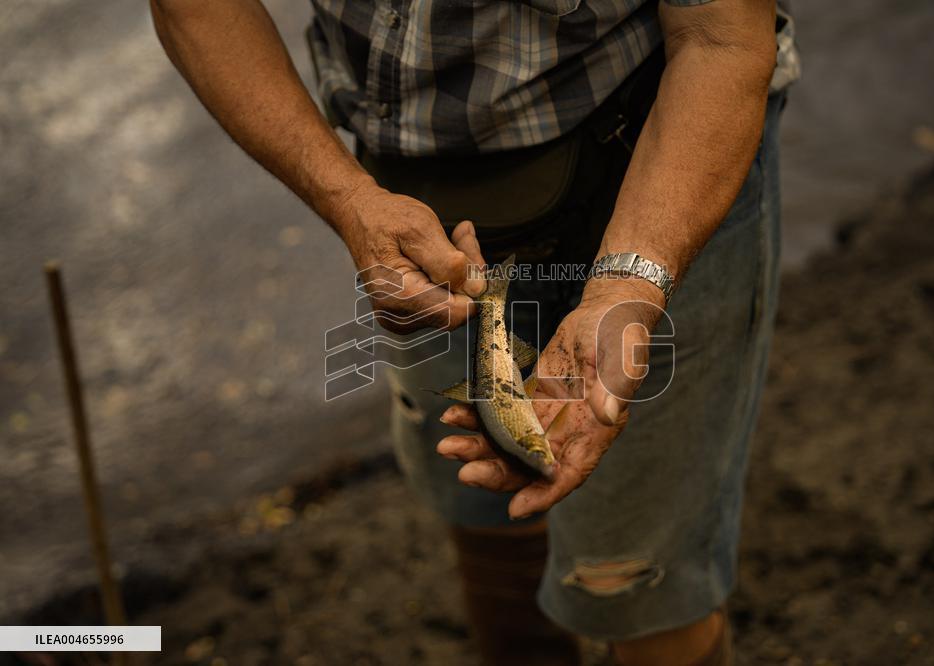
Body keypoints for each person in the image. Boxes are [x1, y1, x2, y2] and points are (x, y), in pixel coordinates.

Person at [152, 0, 799, 663]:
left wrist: (628, 287)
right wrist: (349, 200)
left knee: (636, 581)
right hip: (406, 191)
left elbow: (722, 40)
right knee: (479, 509)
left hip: (659, 156)